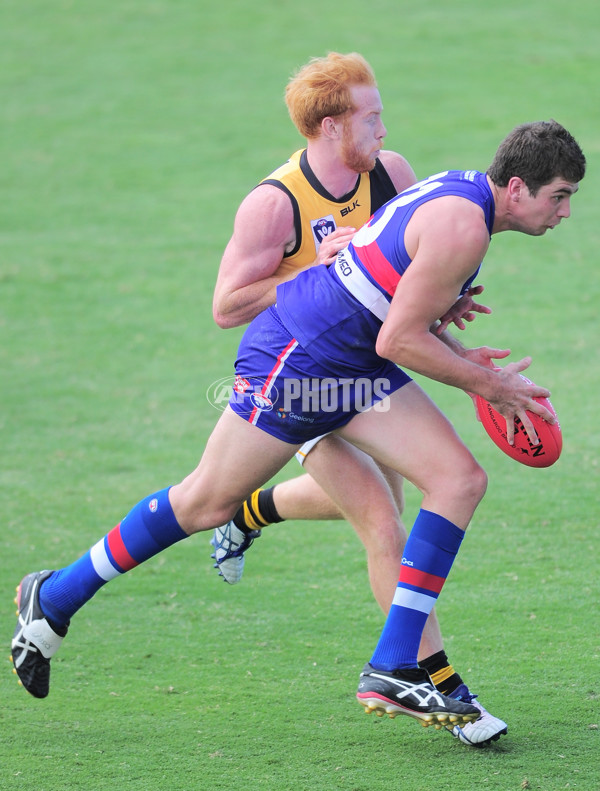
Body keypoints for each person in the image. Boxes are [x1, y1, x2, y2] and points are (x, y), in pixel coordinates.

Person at [11, 120, 585, 736]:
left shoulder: (462, 192)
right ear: (519, 187)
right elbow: (400, 337)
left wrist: (458, 350)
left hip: (356, 364)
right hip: (300, 359)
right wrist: (488, 384)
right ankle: (57, 595)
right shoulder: (464, 227)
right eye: (559, 195)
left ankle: (394, 664)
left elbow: (390, 296)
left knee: (459, 480)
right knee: (204, 502)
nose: (565, 211)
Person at [211, 52, 500, 746]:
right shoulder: (274, 202)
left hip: (372, 370)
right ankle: (440, 685)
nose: (383, 128)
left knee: (394, 502)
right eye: (370, 117)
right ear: (331, 126)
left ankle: (250, 510)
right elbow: (227, 305)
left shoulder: (391, 173)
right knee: (382, 523)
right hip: (299, 368)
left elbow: (402, 263)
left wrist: (439, 301)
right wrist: (323, 266)